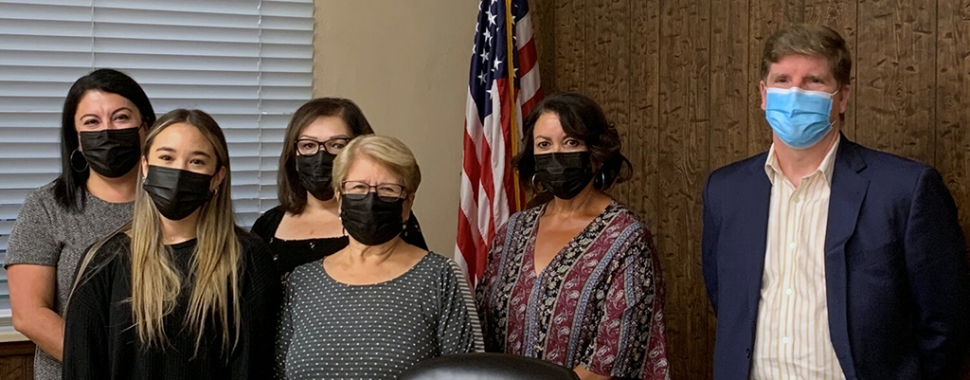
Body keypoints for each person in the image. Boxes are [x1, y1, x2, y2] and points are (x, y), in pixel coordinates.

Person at [702, 24, 970, 379]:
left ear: (842, 97)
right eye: (782, 80)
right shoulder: (727, 190)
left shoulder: (905, 190)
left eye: (813, 81)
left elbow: (945, 323)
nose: (795, 93)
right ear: (763, 94)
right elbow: (727, 301)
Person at [62, 109, 281, 379]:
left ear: (217, 176)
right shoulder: (102, 261)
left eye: (197, 162)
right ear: (145, 166)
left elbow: (252, 368)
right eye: (166, 157)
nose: (178, 171)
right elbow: (82, 369)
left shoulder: (247, 259)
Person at [476, 92, 669, 380]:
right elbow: (482, 328)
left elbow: (612, 359)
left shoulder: (626, 238)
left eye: (571, 142)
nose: (557, 154)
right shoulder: (513, 231)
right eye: (544, 144)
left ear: (597, 154)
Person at [275, 135, 477, 379]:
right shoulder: (303, 281)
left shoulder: (440, 277)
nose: (371, 200)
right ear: (339, 197)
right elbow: (279, 373)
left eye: (388, 190)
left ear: (407, 204)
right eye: (358, 187)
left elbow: (467, 373)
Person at [5, 68, 155, 380]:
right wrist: (110, 367)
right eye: (92, 122)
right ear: (76, 138)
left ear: (146, 127)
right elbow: (29, 314)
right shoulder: (46, 206)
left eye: (121, 117)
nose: (108, 131)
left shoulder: (173, 204)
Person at [251, 98, 427, 279]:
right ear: (293, 154)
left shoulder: (383, 217)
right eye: (308, 145)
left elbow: (417, 281)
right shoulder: (268, 225)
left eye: (337, 145)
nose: (321, 157)